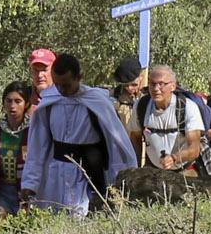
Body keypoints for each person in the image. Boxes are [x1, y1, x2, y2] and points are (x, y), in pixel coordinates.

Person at [22, 53, 136, 217]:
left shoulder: (96, 102)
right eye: (58, 84)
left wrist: (121, 181)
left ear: (78, 77)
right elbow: (38, 147)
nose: (62, 90)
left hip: (89, 175)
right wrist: (30, 183)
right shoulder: (50, 102)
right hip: (56, 175)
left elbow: (115, 143)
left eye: (66, 85)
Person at [130, 65, 205, 173]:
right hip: (151, 171)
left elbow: (194, 149)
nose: (156, 89)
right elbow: (135, 138)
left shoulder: (188, 107)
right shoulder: (141, 106)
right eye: (152, 83)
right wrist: (136, 169)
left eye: (161, 84)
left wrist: (174, 158)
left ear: (173, 86)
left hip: (185, 172)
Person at [0, 83, 31, 218]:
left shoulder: (33, 131)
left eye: (18, 101)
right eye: (8, 101)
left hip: (25, 191)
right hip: (1, 190)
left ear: (26, 104)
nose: (12, 106)